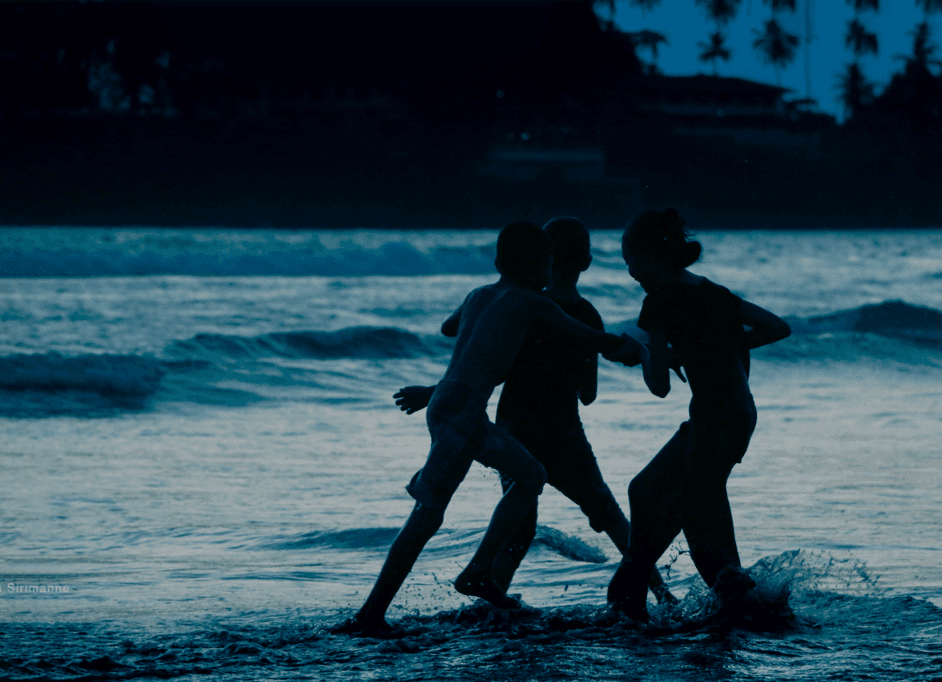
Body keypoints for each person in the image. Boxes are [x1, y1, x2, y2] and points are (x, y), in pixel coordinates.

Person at [335, 221, 632, 636]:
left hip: (450, 403)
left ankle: (468, 573)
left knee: (526, 478)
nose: (551, 271)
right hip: (463, 410)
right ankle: (382, 610)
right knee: (431, 515)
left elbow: (449, 328)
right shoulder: (532, 302)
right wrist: (638, 348)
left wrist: (490, 327)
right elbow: (594, 339)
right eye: (547, 262)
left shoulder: (479, 294)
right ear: (537, 265)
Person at [394, 217, 676, 605]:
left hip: (513, 425)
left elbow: (484, 359)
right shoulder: (579, 313)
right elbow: (588, 393)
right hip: (562, 432)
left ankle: (491, 602)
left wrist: (433, 392)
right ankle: (662, 594)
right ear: (587, 261)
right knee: (609, 515)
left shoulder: (516, 301)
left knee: (519, 527)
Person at [606, 208, 791, 622]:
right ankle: (638, 581)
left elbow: (659, 387)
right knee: (647, 489)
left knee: (700, 519)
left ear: (650, 256)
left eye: (630, 262)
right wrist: (701, 350)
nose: (630, 273)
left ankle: (742, 606)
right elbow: (777, 327)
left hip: (712, 421)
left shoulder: (658, 301)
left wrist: (643, 352)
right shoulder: (713, 291)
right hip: (736, 415)